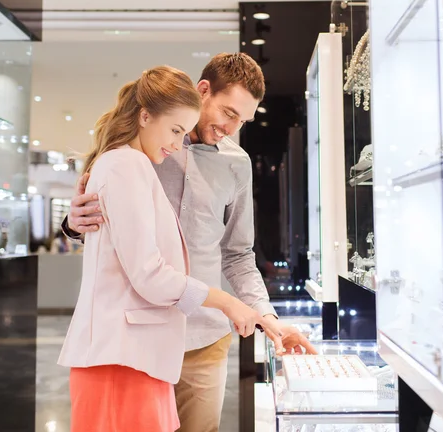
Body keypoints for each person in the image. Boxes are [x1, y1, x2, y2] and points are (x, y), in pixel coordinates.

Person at [62, 54, 317, 432]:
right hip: (138, 337)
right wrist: (71, 224)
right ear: (203, 91)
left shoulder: (237, 164)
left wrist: (266, 316)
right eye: (228, 113)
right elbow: (106, 227)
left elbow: (238, 254)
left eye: (242, 121)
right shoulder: (141, 148)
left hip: (204, 336)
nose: (231, 128)